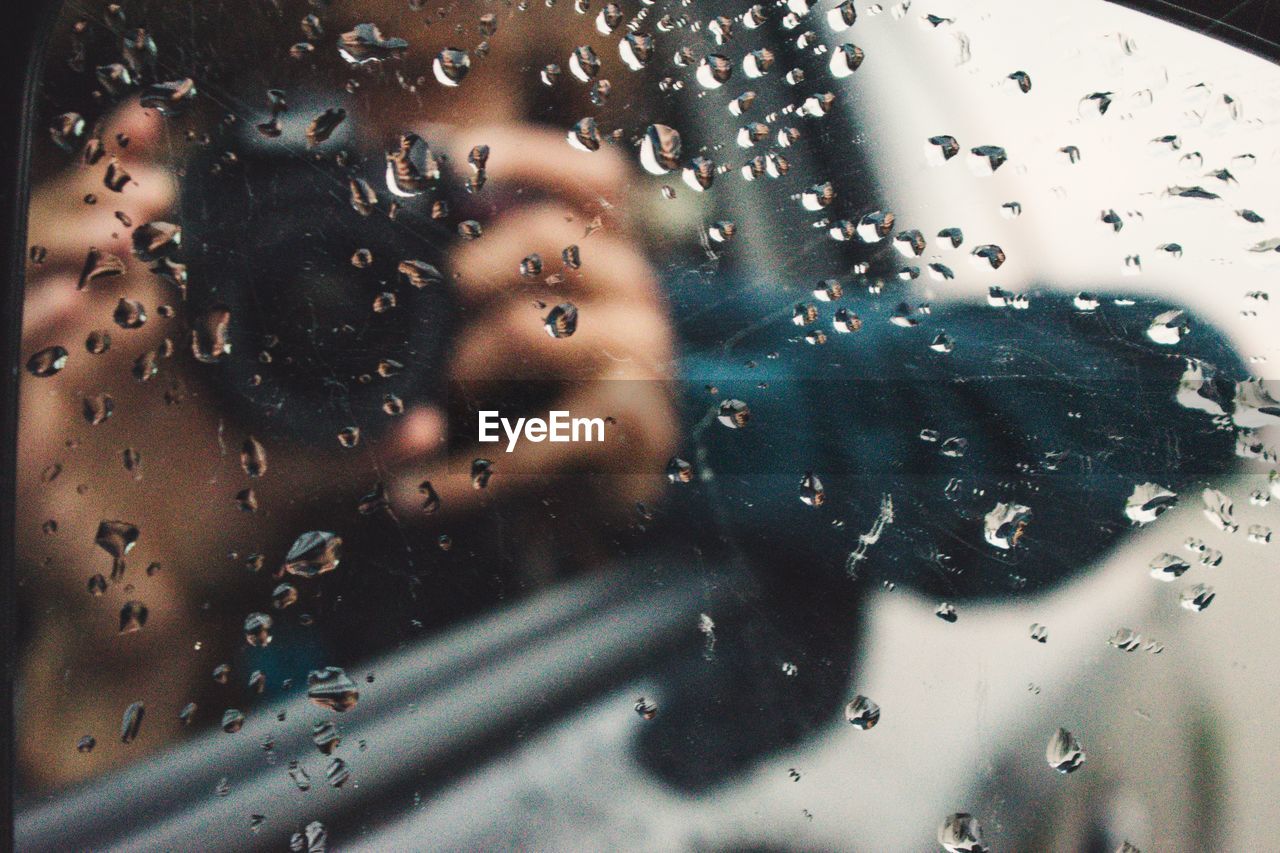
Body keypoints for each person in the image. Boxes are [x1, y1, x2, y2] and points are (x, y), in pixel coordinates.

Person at [16, 0, 1279, 848]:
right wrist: (120, 628)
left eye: (449, 101)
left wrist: (673, 431)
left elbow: (1170, 386)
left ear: (567, 154)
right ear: (153, 143)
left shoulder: (591, 350)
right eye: (295, 110)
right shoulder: (76, 378)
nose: (373, 184)